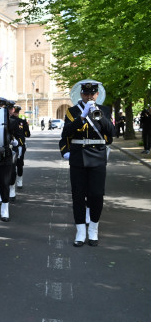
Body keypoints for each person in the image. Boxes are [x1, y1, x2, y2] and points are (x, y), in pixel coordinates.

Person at [61, 80, 114, 247]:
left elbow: (111, 134)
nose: (89, 96)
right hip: (78, 156)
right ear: (81, 94)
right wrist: (82, 116)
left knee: (96, 195)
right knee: (78, 196)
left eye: (92, 94)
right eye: (86, 94)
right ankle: (80, 231)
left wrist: (99, 113)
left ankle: (93, 228)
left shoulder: (105, 110)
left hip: (97, 156)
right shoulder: (72, 112)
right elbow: (66, 133)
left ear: (97, 95)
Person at [11, 106, 29, 191]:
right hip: (13, 144)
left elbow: (27, 134)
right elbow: (26, 134)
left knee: (18, 163)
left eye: (16, 112)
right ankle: (15, 182)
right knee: (15, 164)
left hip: (19, 144)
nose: (15, 114)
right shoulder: (12, 121)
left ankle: (19, 180)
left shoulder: (21, 122)